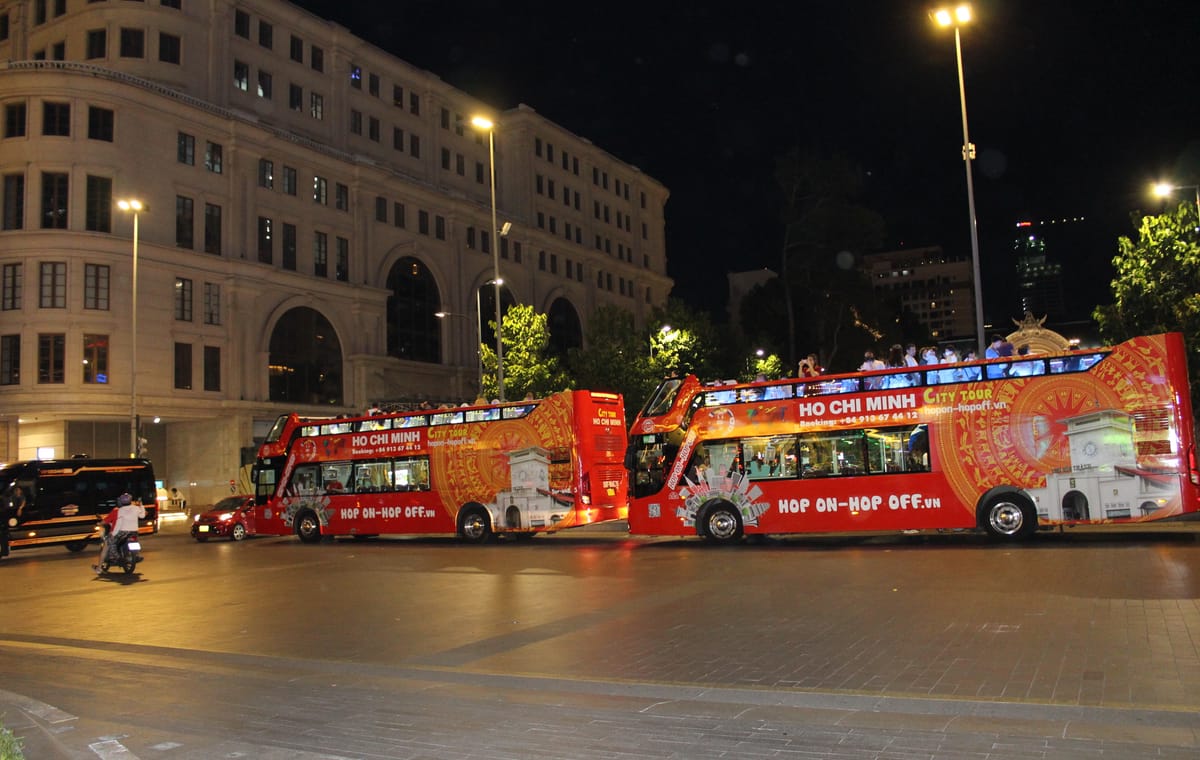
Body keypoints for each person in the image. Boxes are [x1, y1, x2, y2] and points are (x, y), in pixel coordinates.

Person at [93, 493, 146, 574]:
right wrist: (141, 505)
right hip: (134, 532)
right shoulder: (135, 508)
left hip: (121, 532)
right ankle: (135, 555)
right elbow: (142, 515)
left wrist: (113, 533)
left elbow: (118, 524)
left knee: (109, 544)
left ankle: (102, 566)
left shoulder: (118, 511)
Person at [1, 485, 26, 559]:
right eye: (16, 490)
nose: (17, 491)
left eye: (18, 490)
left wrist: (20, 508)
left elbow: (23, 503)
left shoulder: (22, 497)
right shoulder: (11, 497)